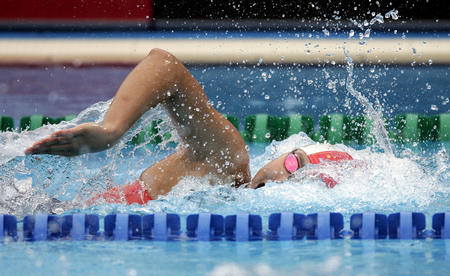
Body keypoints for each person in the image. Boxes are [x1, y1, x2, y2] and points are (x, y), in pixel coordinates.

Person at [25, 48, 353, 205]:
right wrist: (111, 130)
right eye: (296, 163)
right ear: (284, 153)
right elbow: (165, 66)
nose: (284, 178)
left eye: (301, 185)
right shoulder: (228, 162)